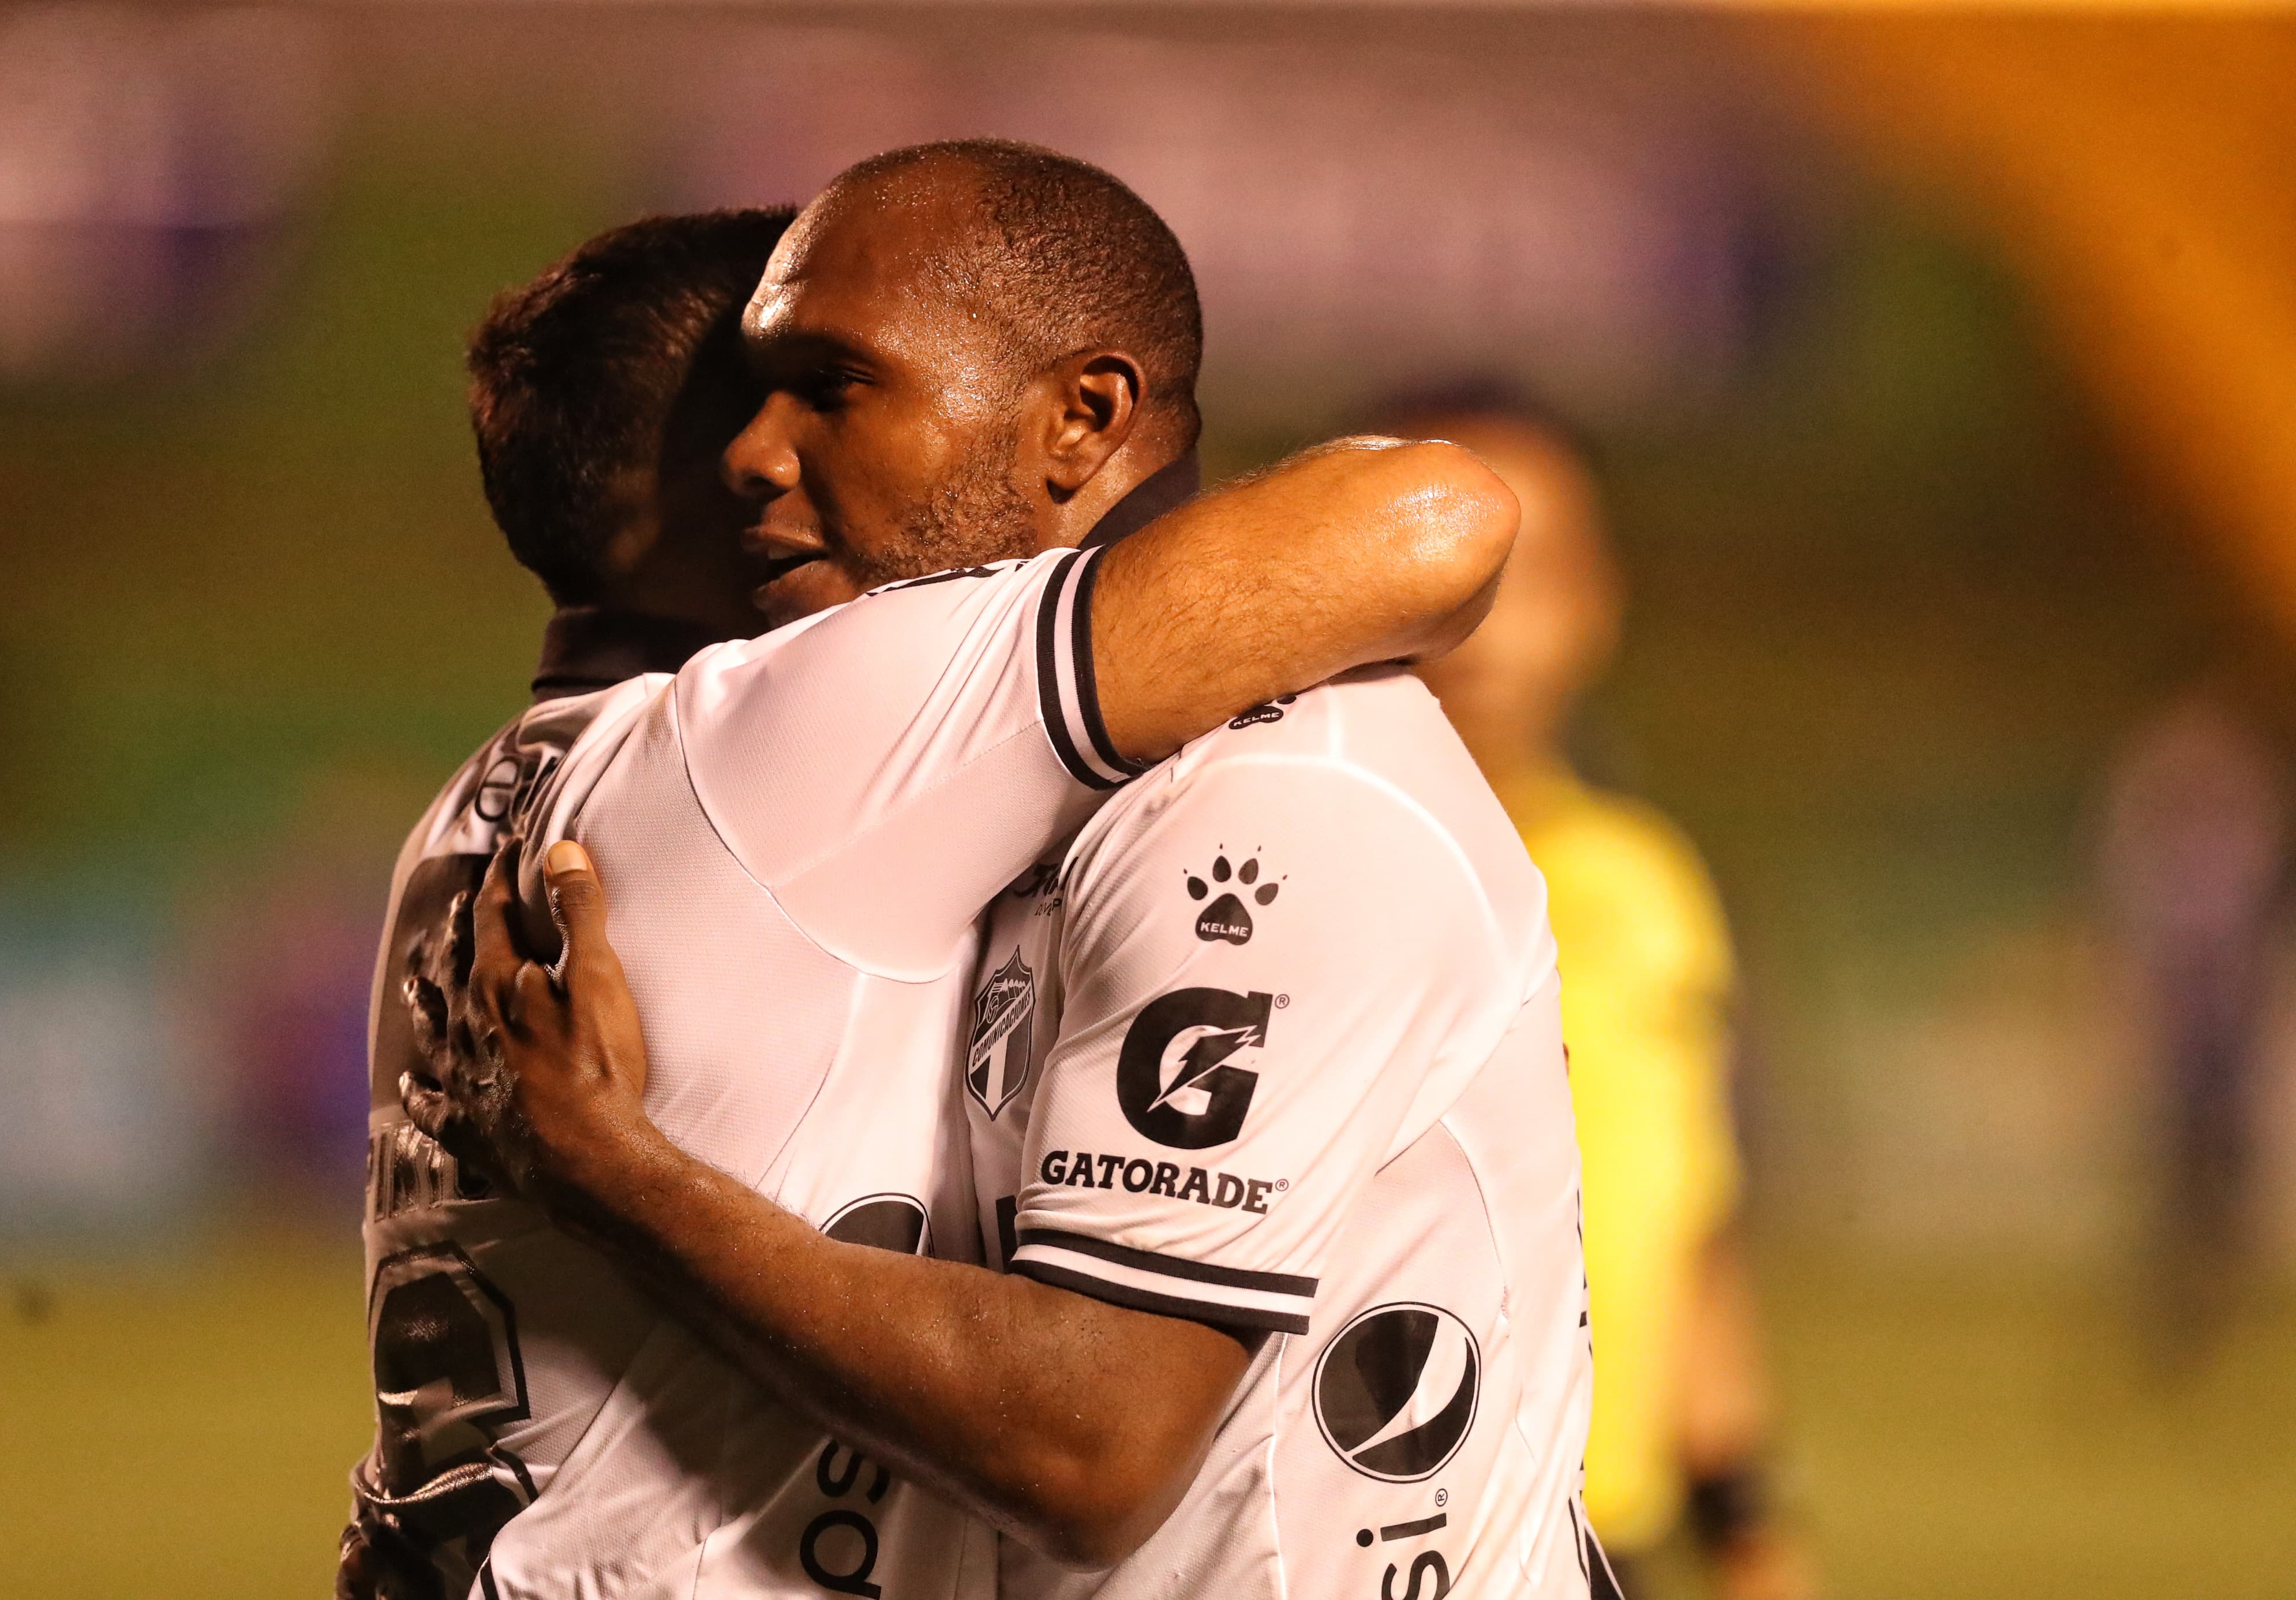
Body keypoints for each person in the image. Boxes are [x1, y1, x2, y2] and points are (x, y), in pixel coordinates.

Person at [406, 143, 1598, 1600]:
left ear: (1084, 416)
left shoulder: (1280, 789)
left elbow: (1087, 1447)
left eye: (833, 385)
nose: (756, 454)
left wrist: (625, 1178)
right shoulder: (967, 778)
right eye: (751, 393)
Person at [1394, 391, 1814, 1600]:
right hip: (1368, 1533)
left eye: (1525, 576)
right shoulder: (1269, 870)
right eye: (1437, 571)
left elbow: (1681, 1223)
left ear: (1596, 604)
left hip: (1591, 1544)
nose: (1483, 630)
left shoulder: (1642, 888)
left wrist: (1747, 1526)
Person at [2096, 687, 2290, 1373]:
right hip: (2193, 1022)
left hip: (2216, 1018)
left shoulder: (2203, 778)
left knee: (2208, 1173)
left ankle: (2191, 1304)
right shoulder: (2201, 776)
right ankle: (2180, 1308)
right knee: (2189, 1174)